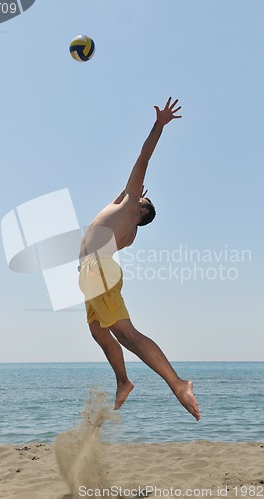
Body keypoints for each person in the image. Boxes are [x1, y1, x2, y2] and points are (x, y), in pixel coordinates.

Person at [78, 98, 200, 421]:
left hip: (97, 271)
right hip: (93, 275)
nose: (137, 191)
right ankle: (123, 381)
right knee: (98, 330)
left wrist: (159, 125)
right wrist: (129, 195)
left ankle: (178, 383)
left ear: (142, 209)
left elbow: (143, 158)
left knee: (126, 334)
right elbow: (118, 199)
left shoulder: (131, 207)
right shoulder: (128, 223)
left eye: (142, 197)